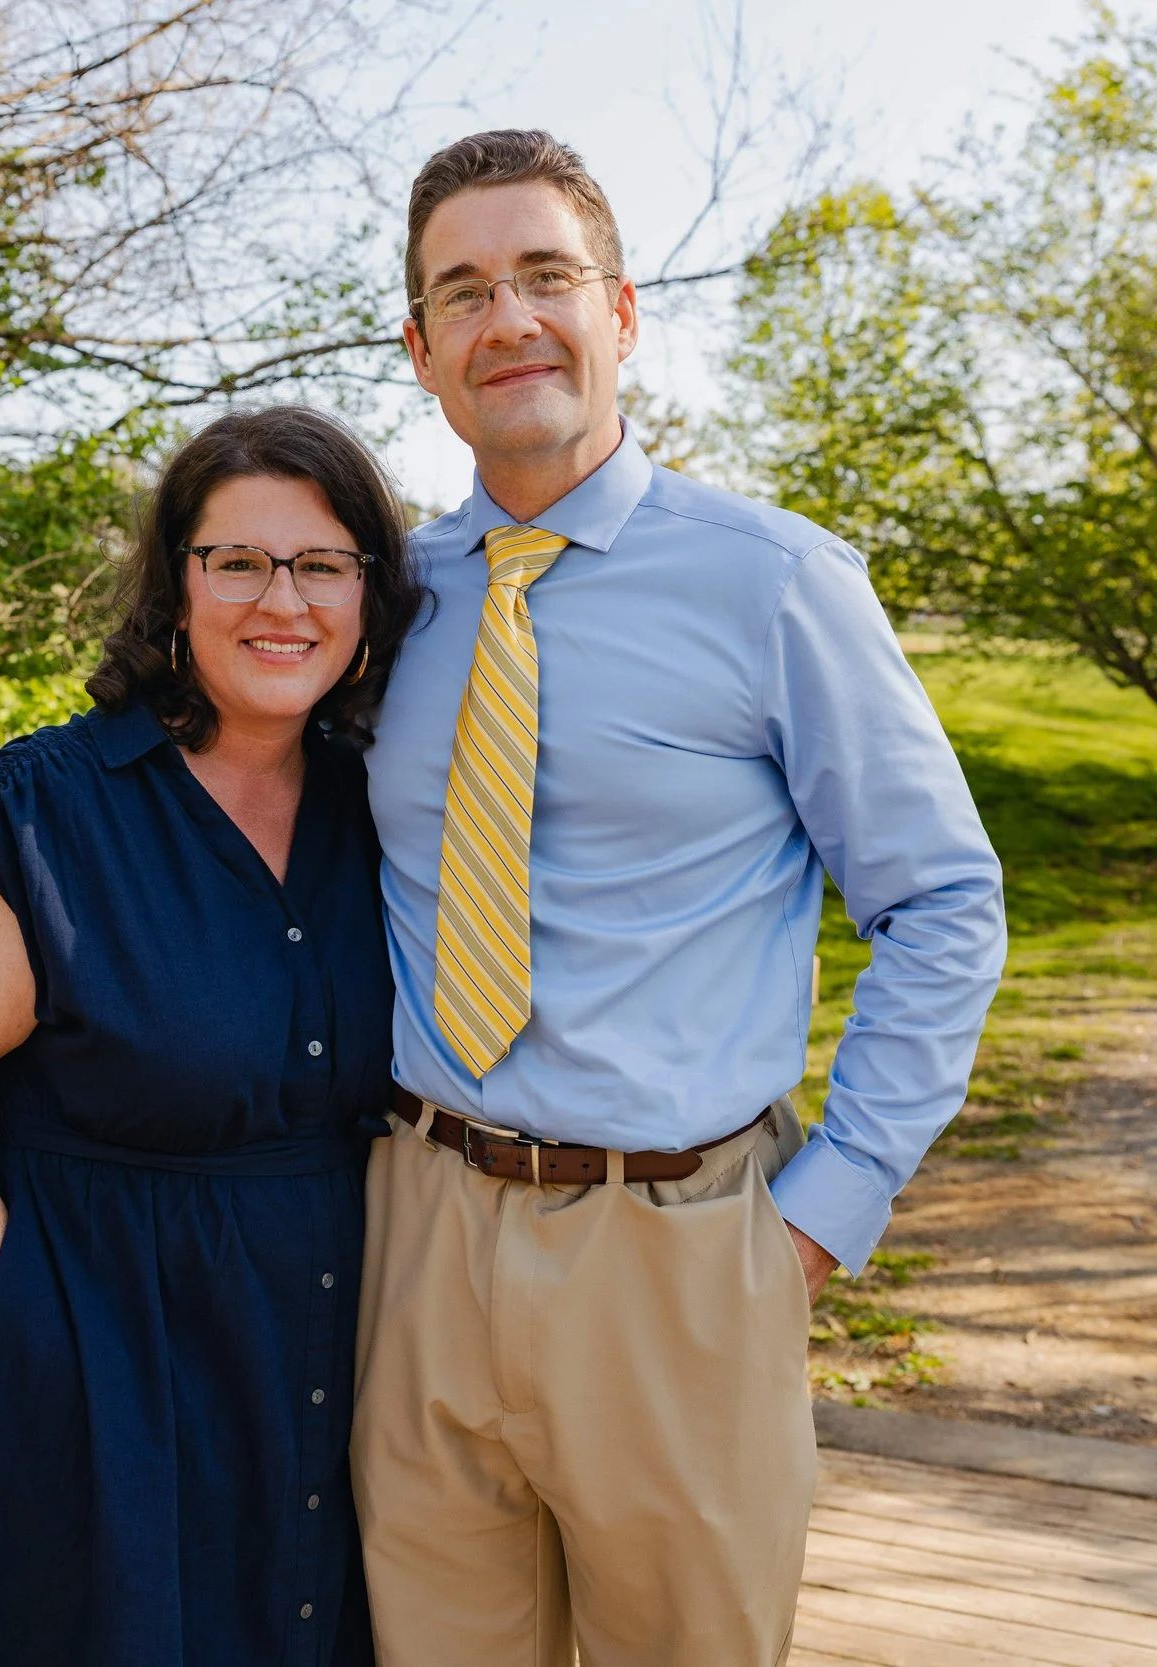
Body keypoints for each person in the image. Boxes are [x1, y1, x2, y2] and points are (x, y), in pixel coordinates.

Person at [353, 129, 1009, 1667]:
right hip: (418, 1225)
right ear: (422, 349)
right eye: (463, 289)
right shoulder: (378, 599)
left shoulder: (775, 580)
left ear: (622, 312)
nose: (507, 316)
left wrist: (823, 1212)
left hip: (680, 1245)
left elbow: (941, 904)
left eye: (545, 275)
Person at [0, 405, 424, 1666]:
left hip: (311, 1377)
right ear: (177, 584)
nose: (284, 599)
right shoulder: (39, 814)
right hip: (86, 1375)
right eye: (239, 562)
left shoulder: (381, 811)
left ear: (369, 593)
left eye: (323, 564)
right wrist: (41, 1332)